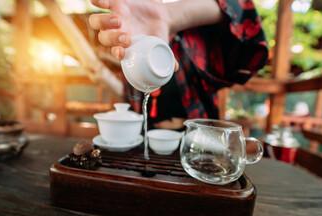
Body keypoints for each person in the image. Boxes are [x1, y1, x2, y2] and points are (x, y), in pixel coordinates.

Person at [89, 0, 268, 131]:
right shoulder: (135, 45)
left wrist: (168, 15)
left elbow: (246, 19)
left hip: (197, 148)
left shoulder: (200, 42)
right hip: (143, 144)